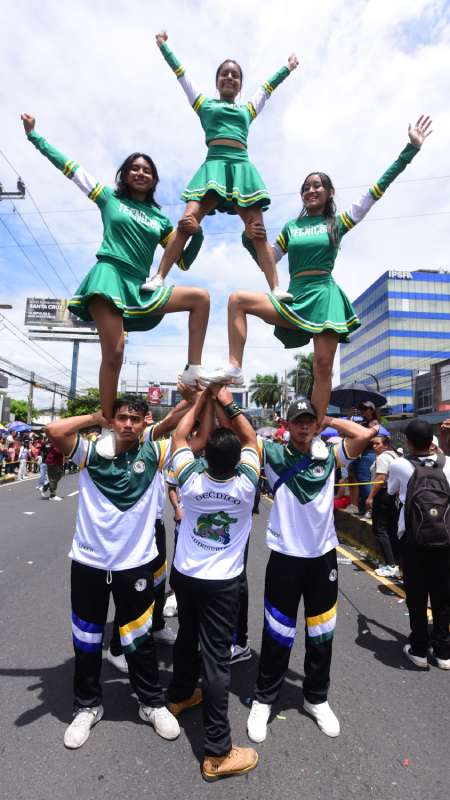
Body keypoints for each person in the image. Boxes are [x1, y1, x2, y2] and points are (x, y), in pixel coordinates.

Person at [22, 113, 210, 457]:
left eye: (147, 170)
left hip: (141, 286)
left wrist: (195, 234)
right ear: (124, 175)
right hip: (108, 277)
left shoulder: (158, 218)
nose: (141, 173)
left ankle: (193, 368)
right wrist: (36, 138)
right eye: (134, 168)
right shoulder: (110, 199)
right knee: (116, 352)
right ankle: (107, 422)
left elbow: (182, 260)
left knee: (200, 298)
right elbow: (72, 169)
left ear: (154, 180)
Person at [224, 116, 432, 414]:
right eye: (306, 187)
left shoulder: (336, 224)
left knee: (323, 366)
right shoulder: (291, 227)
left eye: (317, 186)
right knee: (237, 300)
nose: (311, 190)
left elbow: (375, 191)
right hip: (293, 299)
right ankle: (234, 367)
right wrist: (249, 239)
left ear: (329, 192)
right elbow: (268, 261)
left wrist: (409, 151)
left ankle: (317, 428)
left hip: (325, 298)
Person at [45, 395, 182, 749]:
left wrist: (198, 397)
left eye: (135, 419)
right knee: (87, 640)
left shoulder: (154, 453)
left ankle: (151, 703)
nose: (127, 424)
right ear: (113, 420)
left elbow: (183, 431)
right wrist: (95, 416)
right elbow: (53, 430)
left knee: (139, 639)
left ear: (144, 422)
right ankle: (87, 706)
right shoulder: (90, 453)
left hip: (134, 564)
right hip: (89, 563)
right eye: (121, 418)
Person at [246, 398, 380, 743]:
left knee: (321, 634)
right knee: (278, 632)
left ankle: (316, 697)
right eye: (298, 421)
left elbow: (365, 435)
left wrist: (328, 419)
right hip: (285, 558)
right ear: (287, 425)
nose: (304, 426)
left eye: (309, 421)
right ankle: (264, 698)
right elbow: (242, 431)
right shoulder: (272, 454)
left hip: (322, 559)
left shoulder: (330, 454)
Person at [142, 31, 298, 312]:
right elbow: (182, 75)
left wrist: (287, 67)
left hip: (241, 169)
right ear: (217, 81)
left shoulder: (247, 109)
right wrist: (165, 47)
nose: (229, 77)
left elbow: (267, 88)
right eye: (224, 74)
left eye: (235, 75)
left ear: (239, 85)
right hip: (212, 168)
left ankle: (275, 287)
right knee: (187, 221)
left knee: (258, 230)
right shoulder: (204, 105)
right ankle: (158, 276)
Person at [166, 387, 260, 781]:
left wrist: (201, 398)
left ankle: (180, 695)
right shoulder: (246, 484)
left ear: (206, 455)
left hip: (186, 576)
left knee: (187, 635)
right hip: (221, 583)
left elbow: (178, 437)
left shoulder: (189, 478)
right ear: (238, 460)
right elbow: (252, 436)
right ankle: (217, 752)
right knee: (217, 662)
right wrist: (226, 399)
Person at [387, 419, 450, 670]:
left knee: (416, 595)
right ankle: (444, 652)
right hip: (445, 539)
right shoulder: (447, 464)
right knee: (443, 596)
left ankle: (420, 650)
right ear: (433, 440)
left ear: (409, 443)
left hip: (413, 540)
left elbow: (391, 491)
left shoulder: (399, 464)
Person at [365, 434, 399, 577]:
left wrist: (370, 497)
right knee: (390, 529)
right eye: (373, 444)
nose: (374, 446)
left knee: (379, 529)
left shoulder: (383, 457)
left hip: (383, 495)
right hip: (391, 495)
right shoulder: (395, 456)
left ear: (385, 445)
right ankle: (393, 562)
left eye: (377, 444)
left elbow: (380, 478)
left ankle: (390, 564)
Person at [352, 401, 380, 513]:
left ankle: (371, 508)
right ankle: (363, 507)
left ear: (372, 410)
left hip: (369, 453)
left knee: (364, 479)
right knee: (358, 479)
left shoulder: (374, 423)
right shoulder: (362, 422)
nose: (363, 411)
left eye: (365, 408)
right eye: (361, 409)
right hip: (360, 453)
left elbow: (369, 438)